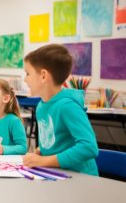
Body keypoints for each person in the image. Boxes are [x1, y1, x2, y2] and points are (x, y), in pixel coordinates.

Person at [22, 44, 98, 176]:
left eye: (28, 73)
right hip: (56, 174)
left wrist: (44, 161)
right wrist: (42, 150)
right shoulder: (41, 106)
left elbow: (89, 147)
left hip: (80, 178)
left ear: (44, 76)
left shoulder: (68, 107)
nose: (25, 79)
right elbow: (57, 141)